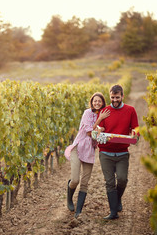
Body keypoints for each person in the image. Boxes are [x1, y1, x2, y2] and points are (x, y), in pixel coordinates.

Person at [96, 84, 139, 220]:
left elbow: (136, 128)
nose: (114, 100)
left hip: (122, 153)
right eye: (112, 97)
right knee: (109, 182)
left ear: (122, 96)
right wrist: (99, 130)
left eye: (117, 97)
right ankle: (113, 212)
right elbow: (98, 129)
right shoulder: (104, 111)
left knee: (122, 180)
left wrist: (135, 134)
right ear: (110, 96)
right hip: (105, 153)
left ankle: (117, 200)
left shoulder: (130, 110)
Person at [65, 92, 110, 218]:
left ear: (102, 103)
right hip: (78, 148)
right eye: (95, 101)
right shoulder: (87, 113)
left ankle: (78, 211)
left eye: (99, 101)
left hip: (89, 151)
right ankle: (69, 198)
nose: (97, 103)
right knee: (75, 180)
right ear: (92, 102)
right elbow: (91, 133)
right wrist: (100, 121)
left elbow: (104, 132)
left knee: (85, 182)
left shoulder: (104, 117)